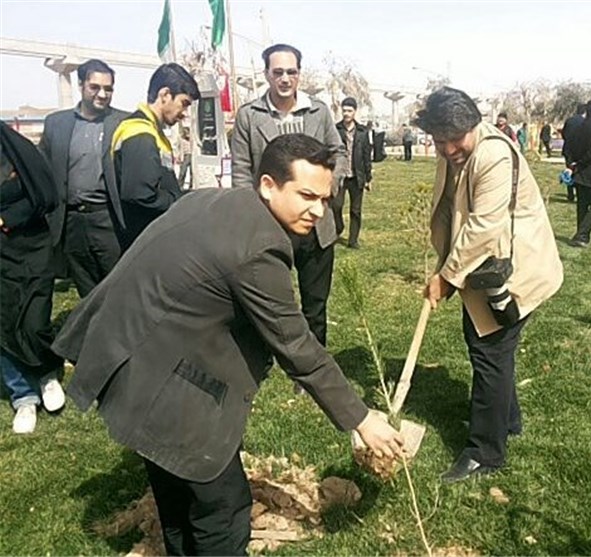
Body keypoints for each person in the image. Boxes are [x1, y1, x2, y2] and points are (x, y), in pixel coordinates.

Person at [52, 134, 404, 556]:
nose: (318, 210)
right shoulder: (259, 246)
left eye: (325, 199)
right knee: (224, 509)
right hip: (158, 378)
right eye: (307, 196)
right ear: (268, 185)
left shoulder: (215, 199)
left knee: (173, 491)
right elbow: (296, 345)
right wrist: (361, 419)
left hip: (129, 351)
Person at [413, 87, 563, 483]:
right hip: (480, 267)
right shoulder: (455, 151)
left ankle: (485, 452)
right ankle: (507, 420)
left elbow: (483, 227)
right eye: (439, 140)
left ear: (472, 125)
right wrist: (444, 266)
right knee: (490, 347)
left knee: (489, 351)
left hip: (513, 270)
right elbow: (450, 207)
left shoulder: (493, 154)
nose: (448, 149)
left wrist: (447, 278)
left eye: (454, 139)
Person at [231, 43, 345, 349]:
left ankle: (313, 360)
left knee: (315, 305)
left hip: (316, 228)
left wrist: (324, 191)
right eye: (278, 72)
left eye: (291, 72)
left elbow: (339, 153)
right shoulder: (249, 116)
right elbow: (241, 170)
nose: (285, 79)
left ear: (299, 74)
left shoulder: (318, 111)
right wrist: (253, 214)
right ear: (266, 74)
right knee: (264, 301)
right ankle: (261, 357)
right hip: (270, 226)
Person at [39, 59, 128, 297]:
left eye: (108, 89)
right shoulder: (56, 124)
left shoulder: (124, 122)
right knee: (86, 289)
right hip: (71, 223)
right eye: (95, 87)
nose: (102, 94)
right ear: (80, 85)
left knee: (118, 287)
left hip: (108, 221)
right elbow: (41, 171)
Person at [1, 122, 66, 434]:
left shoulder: (16, 149)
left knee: (34, 320)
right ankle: (23, 396)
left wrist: (5, 218)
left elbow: (41, 194)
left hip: (31, 248)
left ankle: (46, 373)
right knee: (3, 326)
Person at [111, 63, 200, 252]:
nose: (184, 114)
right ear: (165, 95)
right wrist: (179, 201)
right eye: (184, 103)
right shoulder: (139, 133)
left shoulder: (152, 132)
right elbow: (141, 194)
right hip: (143, 240)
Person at [565, 100, 591, 247]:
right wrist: (580, 162)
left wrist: (572, 164)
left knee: (582, 204)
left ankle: (580, 234)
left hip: (579, 172)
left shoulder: (576, 127)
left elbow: (567, 147)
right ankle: (582, 235)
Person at [333, 97, 372, 249]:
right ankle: (339, 227)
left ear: (355, 112)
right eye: (344, 111)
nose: (346, 114)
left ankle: (353, 240)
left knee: (356, 210)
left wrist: (368, 178)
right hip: (340, 176)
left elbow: (366, 156)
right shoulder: (335, 130)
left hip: (357, 176)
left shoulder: (362, 132)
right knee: (336, 206)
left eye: (349, 111)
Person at [561, 104, 587, 202]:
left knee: (569, 170)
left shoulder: (569, 121)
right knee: (579, 172)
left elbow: (563, 133)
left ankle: (570, 193)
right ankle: (580, 193)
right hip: (580, 150)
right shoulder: (585, 122)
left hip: (568, 149)